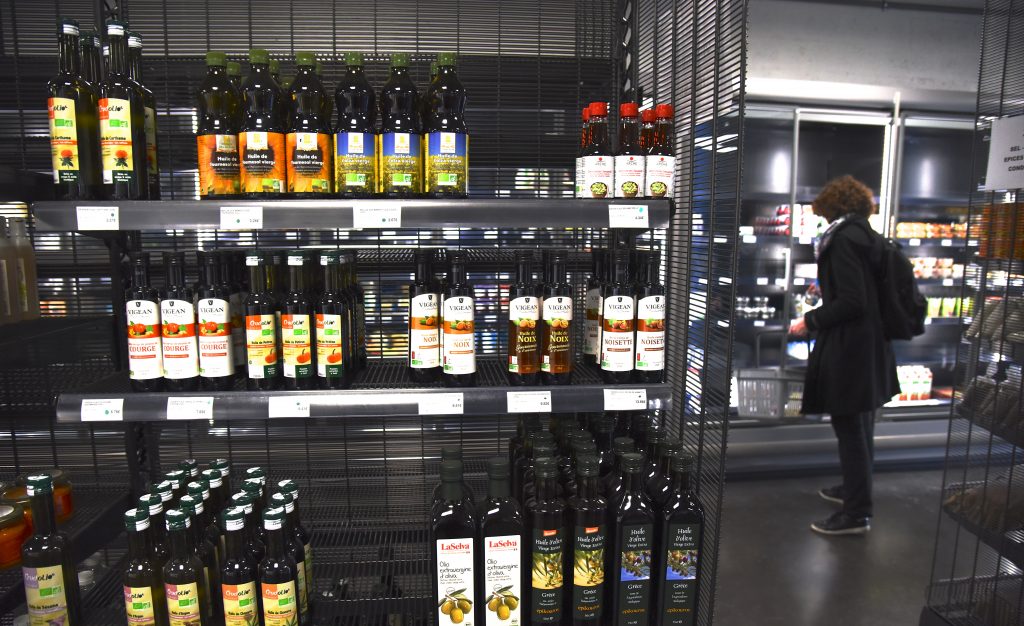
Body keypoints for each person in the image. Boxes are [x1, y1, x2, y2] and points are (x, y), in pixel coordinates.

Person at [789, 175, 899, 536]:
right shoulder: (865, 235)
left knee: (850, 426)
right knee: (861, 424)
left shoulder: (842, 240)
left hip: (851, 347)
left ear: (832, 206)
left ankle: (856, 513)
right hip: (870, 345)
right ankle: (854, 491)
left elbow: (852, 301)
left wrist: (811, 320)